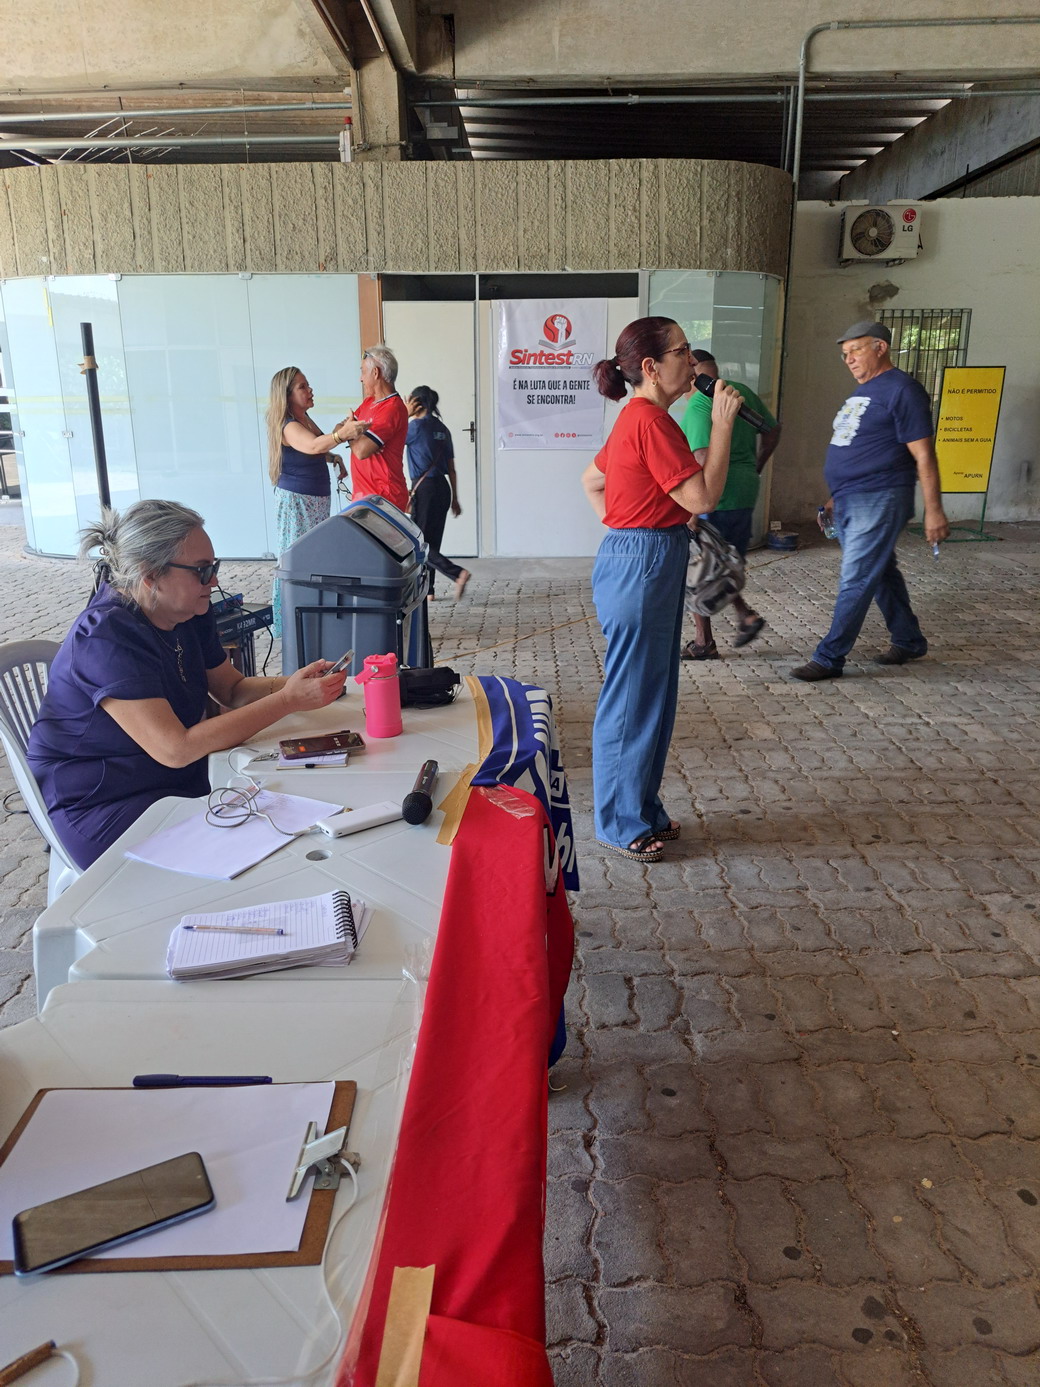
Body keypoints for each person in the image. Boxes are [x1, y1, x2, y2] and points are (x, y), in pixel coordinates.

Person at [27, 499, 347, 870]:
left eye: (214, 567)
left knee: (296, 813)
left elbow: (232, 690)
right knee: (264, 848)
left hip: (174, 778)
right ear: (150, 575)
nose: (214, 581)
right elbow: (175, 749)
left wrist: (297, 685)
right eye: (202, 571)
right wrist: (288, 700)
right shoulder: (107, 636)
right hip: (103, 803)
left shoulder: (188, 611)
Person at [581, 317, 741, 863]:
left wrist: (625, 526)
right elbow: (702, 499)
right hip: (643, 560)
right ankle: (617, 821)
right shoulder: (650, 421)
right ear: (651, 367)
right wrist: (721, 425)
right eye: (682, 351)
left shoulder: (642, 418)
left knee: (654, 693)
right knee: (631, 698)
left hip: (647, 555)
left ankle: (641, 808)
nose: (692, 362)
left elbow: (593, 481)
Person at [791, 320, 950, 682]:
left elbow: (924, 455)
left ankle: (829, 657)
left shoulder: (903, 390)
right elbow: (858, 447)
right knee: (880, 573)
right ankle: (909, 640)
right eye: (844, 354)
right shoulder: (864, 392)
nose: (848, 359)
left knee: (858, 576)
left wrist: (934, 510)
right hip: (852, 498)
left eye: (856, 350)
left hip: (880, 495)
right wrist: (836, 497)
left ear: (881, 348)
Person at [679, 349, 781, 659]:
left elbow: (701, 459)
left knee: (698, 568)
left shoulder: (699, 405)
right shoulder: (740, 392)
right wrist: (755, 466)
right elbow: (773, 429)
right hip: (745, 492)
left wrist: (692, 511)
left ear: (693, 375)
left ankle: (703, 642)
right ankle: (745, 615)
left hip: (716, 497)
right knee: (724, 563)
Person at [267, 366, 350, 637]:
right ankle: (291, 623)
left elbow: (316, 446)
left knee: (313, 558)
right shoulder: (289, 425)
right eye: (302, 387)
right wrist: (342, 435)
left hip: (312, 501)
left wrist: (334, 454)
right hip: (298, 503)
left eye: (308, 385)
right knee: (297, 561)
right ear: (287, 395)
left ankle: (310, 615)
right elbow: (313, 446)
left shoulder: (304, 419)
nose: (310, 390)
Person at [405, 386, 471, 600]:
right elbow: (452, 468)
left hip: (424, 488)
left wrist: (404, 415)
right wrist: (455, 498)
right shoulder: (443, 429)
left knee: (419, 543)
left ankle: (457, 573)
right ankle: (430, 590)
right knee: (433, 541)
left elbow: (391, 439)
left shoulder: (414, 427)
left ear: (417, 403)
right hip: (443, 488)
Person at [343, 346, 410, 513]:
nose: (360, 379)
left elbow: (361, 451)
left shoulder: (392, 408)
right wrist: (353, 433)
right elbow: (340, 427)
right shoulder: (368, 402)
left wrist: (350, 433)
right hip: (364, 498)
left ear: (375, 373)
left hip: (384, 499)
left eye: (363, 372)